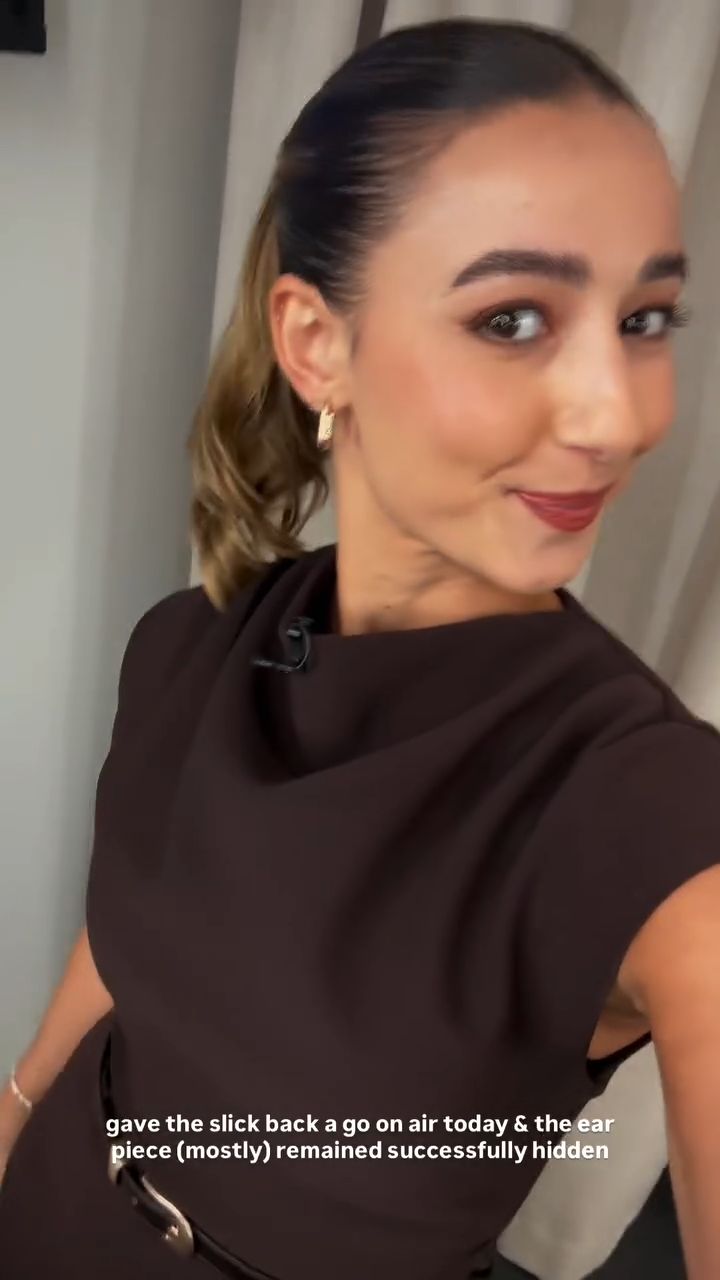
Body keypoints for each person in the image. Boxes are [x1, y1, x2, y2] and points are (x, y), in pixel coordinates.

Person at [1, 17, 719, 1280]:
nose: (617, 415)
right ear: (316, 343)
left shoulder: (660, 820)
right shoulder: (185, 646)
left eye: (646, 317)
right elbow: (123, 953)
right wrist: (9, 1118)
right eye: (514, 317)